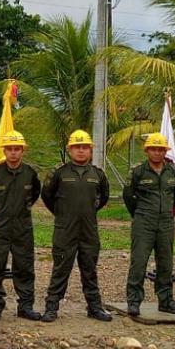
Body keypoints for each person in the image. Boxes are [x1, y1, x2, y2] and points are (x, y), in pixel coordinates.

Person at [39, 129, 112, 322]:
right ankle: (51, 308)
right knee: (60, 269)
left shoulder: (98, 174)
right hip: (65, 230)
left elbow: (103, 197)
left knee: (90, 270)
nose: (81, 151)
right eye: (77, 147)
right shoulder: (59, 173)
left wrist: (88, 212)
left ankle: (95, 308)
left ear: (90, 150)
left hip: (89, 231)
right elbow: (47, 196)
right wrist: (62, 213)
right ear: (69, 150)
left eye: (85, 147)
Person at [0, 130, 41, 321]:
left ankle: (25, 306)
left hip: (23, 226)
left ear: (23, 151)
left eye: (17, 149)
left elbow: (36, 193)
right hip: (0, 225)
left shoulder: (30, 173)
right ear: (4, 151)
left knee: (24, 267)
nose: (13, 153)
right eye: (10, 149)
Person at [124, 133, 175, 316]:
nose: (157, 153)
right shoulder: (138, 172)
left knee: (166, 263)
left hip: (165, 222)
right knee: (139, 262)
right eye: (153, 149)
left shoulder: (173, 172)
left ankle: (166, 301)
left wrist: (167, 213)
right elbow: (128, 197)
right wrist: (140, 214)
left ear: (165, 151)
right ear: (147, 151)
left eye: (161, 149)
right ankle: (134, 301)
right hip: (144, 221)